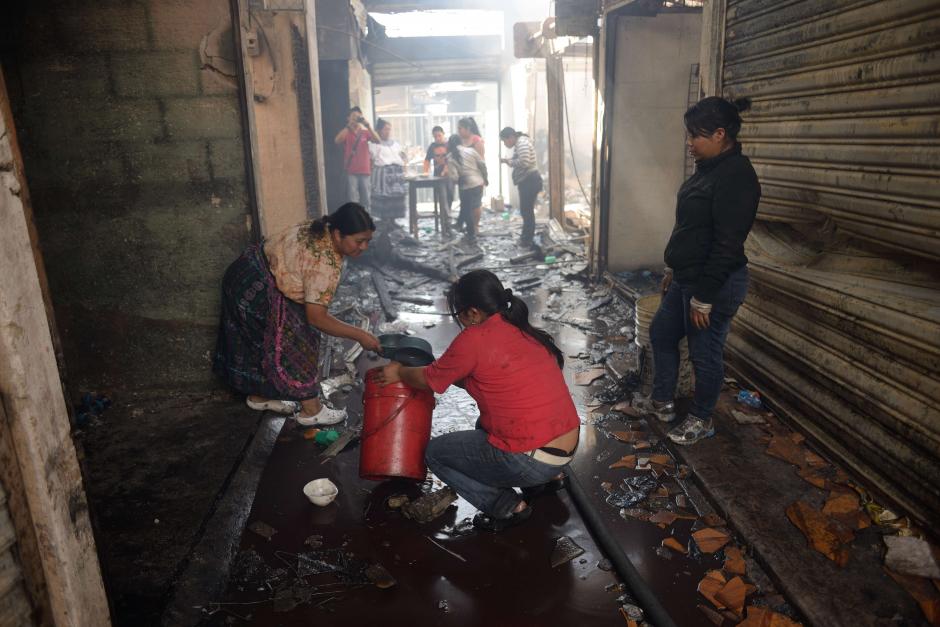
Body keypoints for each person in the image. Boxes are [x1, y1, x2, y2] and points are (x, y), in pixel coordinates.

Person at [376, 270, 579, 532]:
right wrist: (444, 370)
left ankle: (505, 506)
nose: (460, 321)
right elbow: (480, 377)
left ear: (472, 313)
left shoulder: (474, 338)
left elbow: (428, 381)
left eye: (458, 314)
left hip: (532, 460)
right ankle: (548, 481)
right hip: (566, 447)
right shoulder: (520, 328)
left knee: (435, 453)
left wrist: (399, 372)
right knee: (484, 424)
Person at [634, 96, 761, 446]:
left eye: (696, 136)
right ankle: (662, 401)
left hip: (715, 283)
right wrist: (673, 268)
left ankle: (702, 418)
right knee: (661, 333)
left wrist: (704, 297)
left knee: (705, 354)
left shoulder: (737, 177)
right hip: (687, 277)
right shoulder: (708, 169)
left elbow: (727, 244)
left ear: (720, 134)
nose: (690, 143)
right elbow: (690, 227)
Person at [213, 203, 382, 425]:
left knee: (259, 341)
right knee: (298, 341)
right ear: (339, 234)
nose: (364, 247)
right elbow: (316, 317)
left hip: (244, 272)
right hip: (257, 287)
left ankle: (260, 396)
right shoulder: (324, 263)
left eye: (368, 241)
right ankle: (311, 410)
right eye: (359, 241)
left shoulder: (319, 228)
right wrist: (360, 334)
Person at [499, 126, 542, 248]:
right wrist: (510, 160)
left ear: (511, 137)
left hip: (530, 181)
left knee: (526, 211)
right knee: (526, 211)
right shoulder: (520, 143)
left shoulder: (521, 143)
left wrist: (510, 162)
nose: (505, 144)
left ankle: (527, 239)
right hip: (528, 181)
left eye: (504, 141)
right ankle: (526, 237)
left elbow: (524, 162)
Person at [334, 107, 379, 209]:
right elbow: (337, 140)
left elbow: (378, 140)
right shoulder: (346, 132)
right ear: (348, 118)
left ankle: (366, 222)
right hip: (351, 171)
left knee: (366, 199)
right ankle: (355, 222)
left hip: (365, 171)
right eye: (353, 116)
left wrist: (368, 126)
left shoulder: (365, 132)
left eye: (358, 117)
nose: (355, 119)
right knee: (353, 200)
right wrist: (348, 126)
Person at [446, 134, 486, 243]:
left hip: (466, 185)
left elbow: (454, 176)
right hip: (478, 183)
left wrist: (456, 181)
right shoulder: (470, 151)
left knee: (467, 209)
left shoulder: (450, 157)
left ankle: (471, 234)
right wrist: (485, 178)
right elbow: (482, 164)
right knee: (473, 206)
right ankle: (463, 226)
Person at [368, 119, 408, 220]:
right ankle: (384, 222)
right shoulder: (374, 144)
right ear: (379, 130)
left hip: (396, 177)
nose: (388, 132)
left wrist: (404, 168)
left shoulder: (395, 144)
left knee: (396, 200)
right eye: (386, 129)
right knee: (384, 200)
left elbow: (403, 156)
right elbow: (371, 160)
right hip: (383, 176)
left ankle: (393, 222)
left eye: (389, 129)